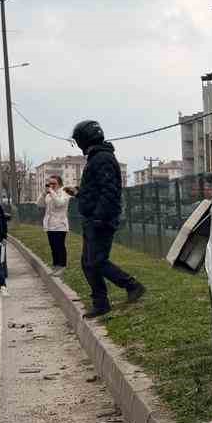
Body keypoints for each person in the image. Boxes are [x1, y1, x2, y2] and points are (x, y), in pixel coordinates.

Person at [70, 120, 144, 318]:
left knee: (97, 261)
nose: (78, 144)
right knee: (88, 263)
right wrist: (79, 193)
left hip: (100, 220)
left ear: (84, 139)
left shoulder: (102, 158)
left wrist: (99, 217)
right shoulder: (97, 157)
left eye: (78, 140)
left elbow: (109, 191)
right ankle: (101, 303)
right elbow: (96, 190)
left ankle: (132, 285)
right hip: (93, 218)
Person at [40, 174, 74, 273]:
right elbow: (40, 204)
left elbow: (59, 203)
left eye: (54, 183)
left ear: (59, 183)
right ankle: (55, 265)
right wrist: (43, 194)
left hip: (60, 224)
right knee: (53, 246)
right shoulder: (49, 194)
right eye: (50, 183)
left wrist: (51, 192)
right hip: (49, 224)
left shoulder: (64, 193)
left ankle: (62, 266)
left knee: (59, 246)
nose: (51, 185)